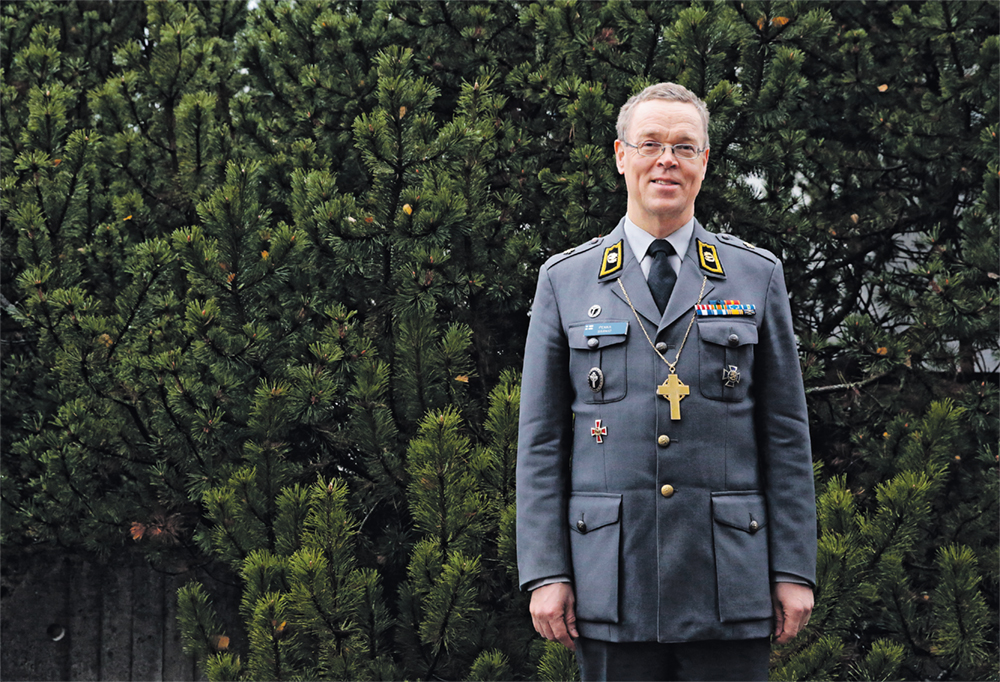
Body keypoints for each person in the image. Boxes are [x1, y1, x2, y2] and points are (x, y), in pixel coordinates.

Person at [515, 82, 817, 681]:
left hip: (729, 580)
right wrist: (547, 571)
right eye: (650, 144)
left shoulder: (754, 275)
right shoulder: (566, 281)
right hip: (611, 582)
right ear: (621, 155)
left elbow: (785, 434)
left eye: (683, 147)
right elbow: (542, 443)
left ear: (704, 161)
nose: (666, 161)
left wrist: (792, 569)